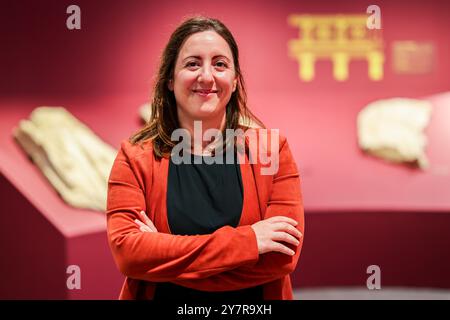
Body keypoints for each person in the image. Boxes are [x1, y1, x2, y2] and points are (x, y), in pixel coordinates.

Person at [106, 16, 304, 300]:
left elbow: (281, 259)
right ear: (170, 80)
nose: (207, 77)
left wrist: (162, 254)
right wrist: (250, 242)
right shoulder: (135, 156)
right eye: (192, 63)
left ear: (235, 81)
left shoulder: (271, 150)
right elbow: (130, 255)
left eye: (220, 64)